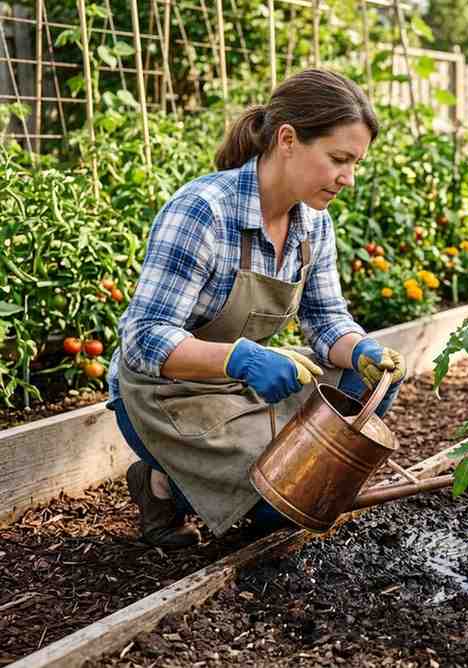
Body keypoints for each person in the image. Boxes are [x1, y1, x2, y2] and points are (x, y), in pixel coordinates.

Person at [105, 69, 406, 549]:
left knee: (359, 391)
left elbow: (327, 320)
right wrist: (239, 359)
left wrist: (362, 352)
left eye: (355, 164)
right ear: (287, 139)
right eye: (338, 159)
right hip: (167, 394)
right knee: (280, 501)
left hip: (242, 387)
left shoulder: (313, 224)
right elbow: (143, 338)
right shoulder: (204, 210)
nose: (348, 178)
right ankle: (160, 484)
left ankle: (200, 484)